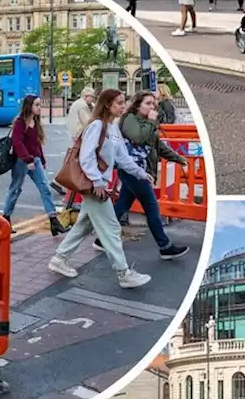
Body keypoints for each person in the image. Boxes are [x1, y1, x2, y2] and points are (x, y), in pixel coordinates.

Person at [48, 89, 152, 290]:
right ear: (107, 105)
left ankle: (59, 259)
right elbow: (86, 157)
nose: (123, 106)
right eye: (119, 103)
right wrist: (97, 181)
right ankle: (123, 273)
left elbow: (122, 158)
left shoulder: (113, 128)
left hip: (99, 185)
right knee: (112, 228)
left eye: (124, 102)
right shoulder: (97, 126)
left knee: (84, 225)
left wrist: (140, 173)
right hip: (95, 187)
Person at [113, 91, 190, 260]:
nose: (152, 107)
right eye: (148, 103)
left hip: (141, 170)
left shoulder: (148, 123)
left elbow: (158, 145)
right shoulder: (130, 119)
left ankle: (101, 239)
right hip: (132, 170)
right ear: (137, 104)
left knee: (121, 207)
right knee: (152, 209)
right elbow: (139, 138)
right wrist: (152, 121)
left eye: (153, 104)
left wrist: (178, 159)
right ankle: (164, 246)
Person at [2, 95, 66, 235]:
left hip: (34, 160)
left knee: (45, 189)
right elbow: (17, 143)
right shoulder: (20, 122)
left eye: (39, 105)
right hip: (21, 161)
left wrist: (41, 160)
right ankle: (6, 219)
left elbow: (36, 143)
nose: (39, 108)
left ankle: (54, 221)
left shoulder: (35, 122)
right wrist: (27, 160)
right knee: (15, 189)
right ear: (29, 106)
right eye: (37, 105)